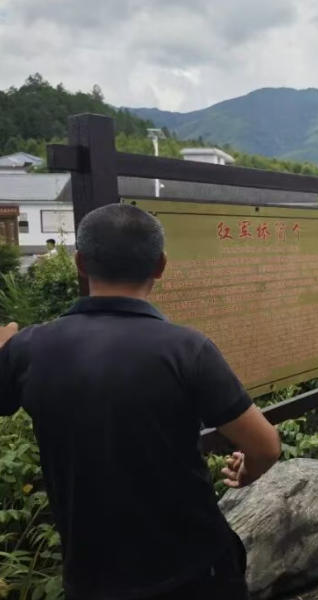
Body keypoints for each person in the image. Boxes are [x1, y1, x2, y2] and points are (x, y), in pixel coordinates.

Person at [0, 204, 281, 600]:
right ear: (160, 266)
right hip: (194, 566)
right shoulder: (187, 349)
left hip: (93, 574)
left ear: (80, 263)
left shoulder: (30, 347)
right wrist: (247, 472)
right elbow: (265, 446)